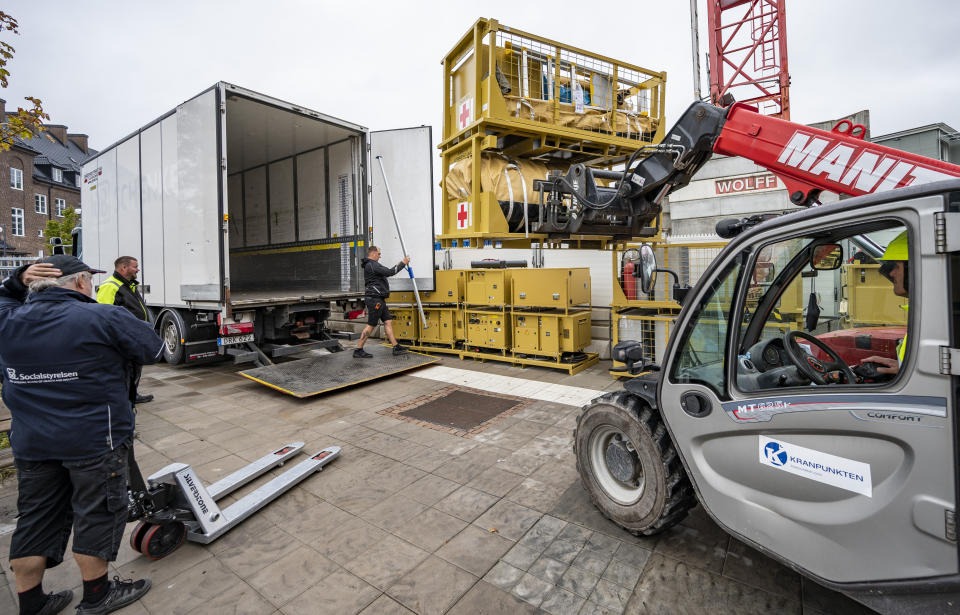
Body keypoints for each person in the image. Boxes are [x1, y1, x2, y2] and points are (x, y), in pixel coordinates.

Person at [0, 254, 164, 615]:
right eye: (88, 279)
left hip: (33, 443)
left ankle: (32, 603)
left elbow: (4, 297)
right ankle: (97, 595)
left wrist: (17, 280)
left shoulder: (7, 321)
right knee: (98, 514)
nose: (91, 285)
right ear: (77, 283)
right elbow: (153, 349)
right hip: (94, 441)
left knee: (36, 518)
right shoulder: (102, 316)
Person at [96, 256, 153, 404]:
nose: (138, 269)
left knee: (135, 368)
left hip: (134, 335)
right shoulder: (110, 286)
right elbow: (105, 315)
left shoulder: (129, 285)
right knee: (126, 369)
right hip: (124, 337)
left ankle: (132, 395)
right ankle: (125, 399)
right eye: (135, 266)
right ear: (123, 268)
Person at [861, 231, 909, 375]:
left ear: (912, 268)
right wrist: (901, 367)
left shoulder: (932, 319)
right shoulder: (926, 313)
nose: (891, 273)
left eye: (897, 267)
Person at [354, 245, 411, 358]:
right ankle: (358, 349)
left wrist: (400, 263)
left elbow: (388, 271)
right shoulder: (372, 265)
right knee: (371, 325)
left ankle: (396, 347)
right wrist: (403, 263)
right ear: (373, 253)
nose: (380, 256)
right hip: (375, 300)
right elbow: (390, 272)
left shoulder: (372, 265)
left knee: (388, 321)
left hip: (379, 299)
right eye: (379, 254)